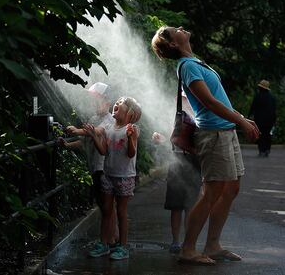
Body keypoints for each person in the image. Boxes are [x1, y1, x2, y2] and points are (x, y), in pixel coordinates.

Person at [151, 26, 259, 265]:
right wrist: (240, 120)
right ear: (172, 44)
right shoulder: (187, 66)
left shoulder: (195, 62)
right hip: (214, 134)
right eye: (173, 29)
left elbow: (218, 98)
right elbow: (208, 102)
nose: (180, 28)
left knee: (231, 190)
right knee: (212, 192)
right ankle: (188, 249)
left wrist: (240, 117)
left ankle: (212, 245)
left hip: (226, 131)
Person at [84, 96, 142, 260]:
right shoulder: (109, 128)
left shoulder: (131, 130)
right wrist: (94, 136)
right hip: (108, 175)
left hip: (124, 177)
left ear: (130, 113)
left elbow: (131, 153)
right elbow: (103, 151)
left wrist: (130, 138)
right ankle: (104, 243)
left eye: (120, 104)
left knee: (121, 211)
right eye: (116, 102)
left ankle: (123, 247)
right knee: (107, 210)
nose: (116, 104)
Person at [60, 82, 118, 246]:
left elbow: (96, 131)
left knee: (107, 206)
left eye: (98, 100)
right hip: (95, 169)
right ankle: (113, 236)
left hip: (103, 169)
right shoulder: (94, 118)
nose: (94, 103)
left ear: (107, 102)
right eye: (93, 100)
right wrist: (67, 145)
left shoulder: (109, 120)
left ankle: (109, 239)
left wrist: (76, 130)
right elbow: (84, 141)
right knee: (103, 205)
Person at [151, 96, 202, 255]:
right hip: (176, 163)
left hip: (193, 164)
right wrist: (159, 139)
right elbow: (169, 139)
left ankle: (188, 241)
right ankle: (175, 241)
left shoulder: (198, 119)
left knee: (190, 206)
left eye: (185, 99)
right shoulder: (174, 118)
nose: (182, 102)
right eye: (180, 99)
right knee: (176, 206)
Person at [248, 79, 277, 157]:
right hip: (270, 120)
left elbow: (252, 108)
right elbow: (274, 110)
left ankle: (261, 150)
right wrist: (274, 120)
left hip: (259, 119)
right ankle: (267, 149)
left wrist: (248, 116)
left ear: (261, 88)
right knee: (267, 134)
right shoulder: (272, 97)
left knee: (260, 135)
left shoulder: (258, 96)